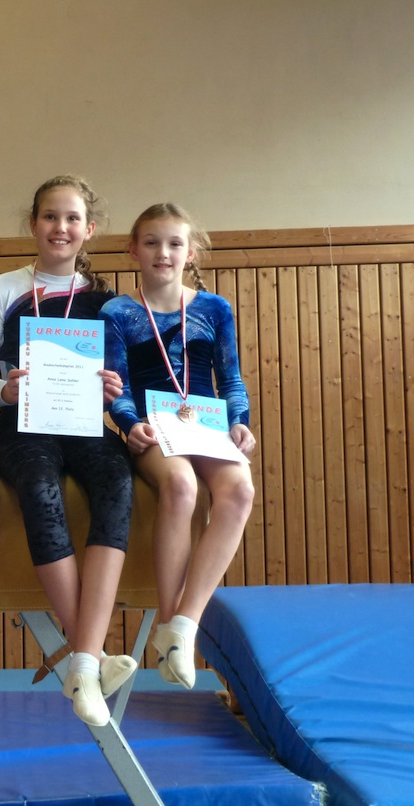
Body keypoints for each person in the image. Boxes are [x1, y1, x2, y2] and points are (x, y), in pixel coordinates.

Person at [0, 175, 136, 727]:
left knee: (118, 481)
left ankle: (82, 660)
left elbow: (122, 376)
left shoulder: (109, 301)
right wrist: (4, 389)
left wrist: (115, 389)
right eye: (50, 216)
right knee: (39, 487)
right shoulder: (4, 289)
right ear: (33, 224)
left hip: (85, 425)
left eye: (72, 218)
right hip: (24, 429)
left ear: (89, 229)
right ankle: (90, 659)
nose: (60, 227)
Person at [100, 202, 255, 689]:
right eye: (151, 243)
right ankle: (169, 620)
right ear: (133, 250)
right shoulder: (118, 312)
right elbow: (116, 384)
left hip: (205, 424)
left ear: (190, 253)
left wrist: (240, 422)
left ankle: (183, 625)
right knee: (182, 486)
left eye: (173, 244)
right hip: (154, 426)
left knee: (240, 491)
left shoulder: (214, 309)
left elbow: (230, 378)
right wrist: (129, 424)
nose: (162, 253)